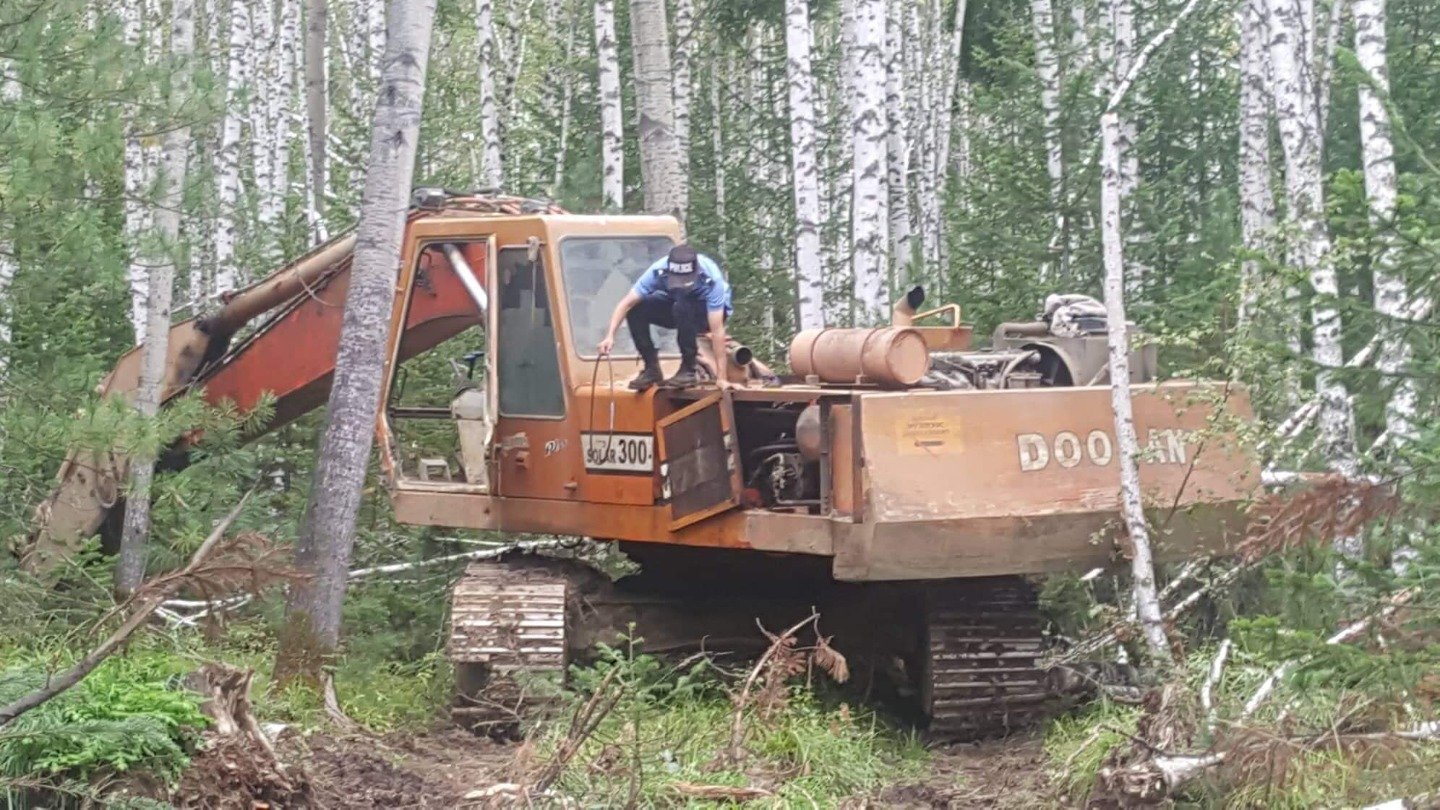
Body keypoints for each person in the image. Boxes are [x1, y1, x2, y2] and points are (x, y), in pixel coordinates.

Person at [597, 244, 732, 390]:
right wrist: (610, 336)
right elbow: (626, 304)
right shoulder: (657, 271)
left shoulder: (711, 279)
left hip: (705, 312)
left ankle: (689, 368)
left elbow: (717, 330)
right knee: (637, 309)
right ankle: (651, 368)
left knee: (682, 306)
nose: (683, 283)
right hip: (677, 306)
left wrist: (721, 378)